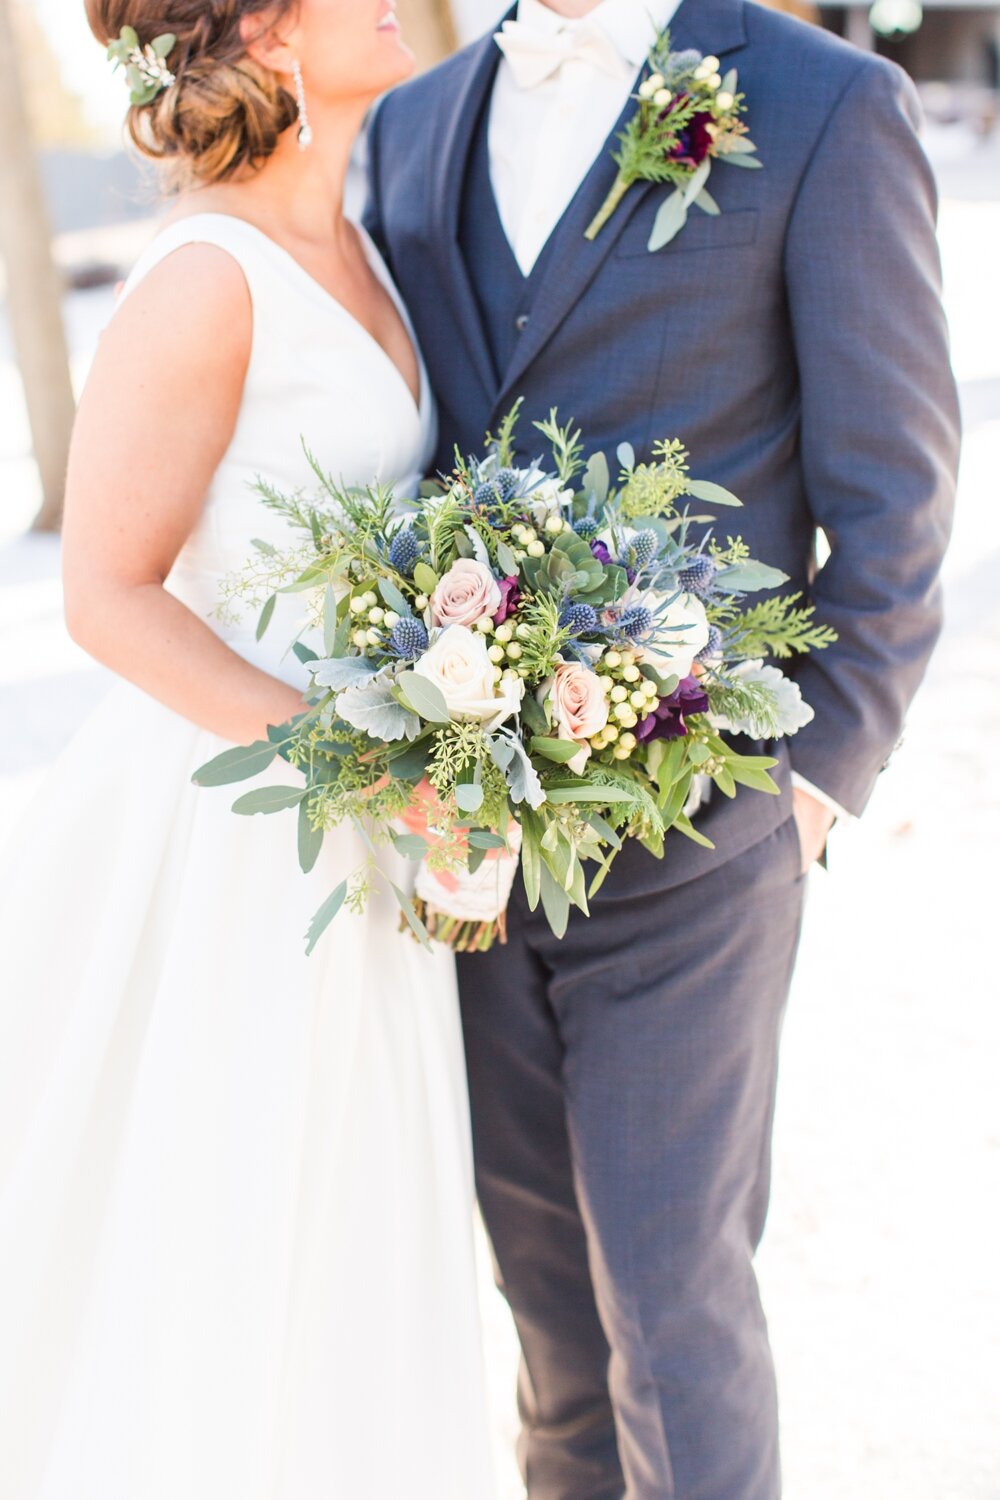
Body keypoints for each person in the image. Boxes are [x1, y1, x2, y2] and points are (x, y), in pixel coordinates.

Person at [364, 0, 960, 1493]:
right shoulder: (409, 125)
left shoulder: (826, 105)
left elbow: (896, 503)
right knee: (551, 1320)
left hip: (704, 838)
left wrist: (811, 790)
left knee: (670, 1311)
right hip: (473, 850)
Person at [0, 3, 497, 1496]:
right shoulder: (207, 276)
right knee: (230, 1242)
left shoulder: (368, 244)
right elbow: (106, 593)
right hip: (239, 845)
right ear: (272, 27)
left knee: (351, 1244)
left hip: (370, 848)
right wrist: (367, 767)